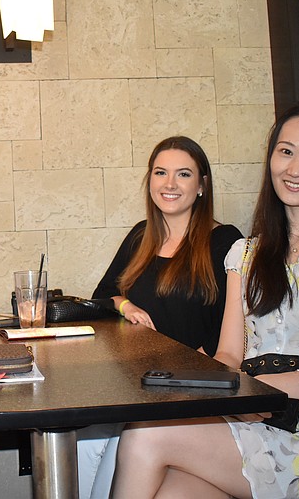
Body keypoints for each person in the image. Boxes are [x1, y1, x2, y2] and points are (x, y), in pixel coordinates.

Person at [111, 100, 299, 498]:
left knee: (145, 436)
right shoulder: (245, 254)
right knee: (171, 491)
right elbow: (227, 356)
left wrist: (264, 390)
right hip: (255, 420)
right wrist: (189, 385)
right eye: (286, 151)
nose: (295, 169)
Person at [78, 136, 243, 499]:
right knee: (76, 444)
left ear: (201, 185)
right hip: (135, 386)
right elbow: (103, 295)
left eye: (183, 174)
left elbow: (237, 329)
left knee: (114, 468)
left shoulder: (225, 241)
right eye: (160, 172)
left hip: (186, 392)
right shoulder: (142, 235)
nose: (169, 184)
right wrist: (127, 307)